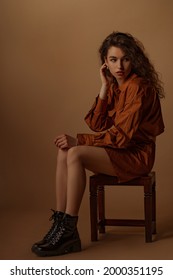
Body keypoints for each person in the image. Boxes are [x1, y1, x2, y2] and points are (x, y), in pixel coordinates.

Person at [32, 31, 165, 257]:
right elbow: (97, 123)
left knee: (75, 153)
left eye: (125, 58)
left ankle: (68, 230)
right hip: (117, 151)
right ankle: (60, 223)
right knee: (65, 151)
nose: (119, 65)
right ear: (105, 62)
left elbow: (121, 137)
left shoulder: (139, 87)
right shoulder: (115, 84)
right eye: (113, 60)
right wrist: (104, 86)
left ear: (135, 59)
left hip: (136, 156)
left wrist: (80, 141)